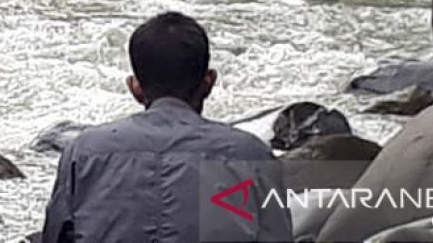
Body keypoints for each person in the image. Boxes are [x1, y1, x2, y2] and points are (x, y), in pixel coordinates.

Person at [39, 12, 291, 243]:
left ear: (135, 87)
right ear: (209, 82)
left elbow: (55, 237)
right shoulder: (251, 154)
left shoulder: (83, 151)